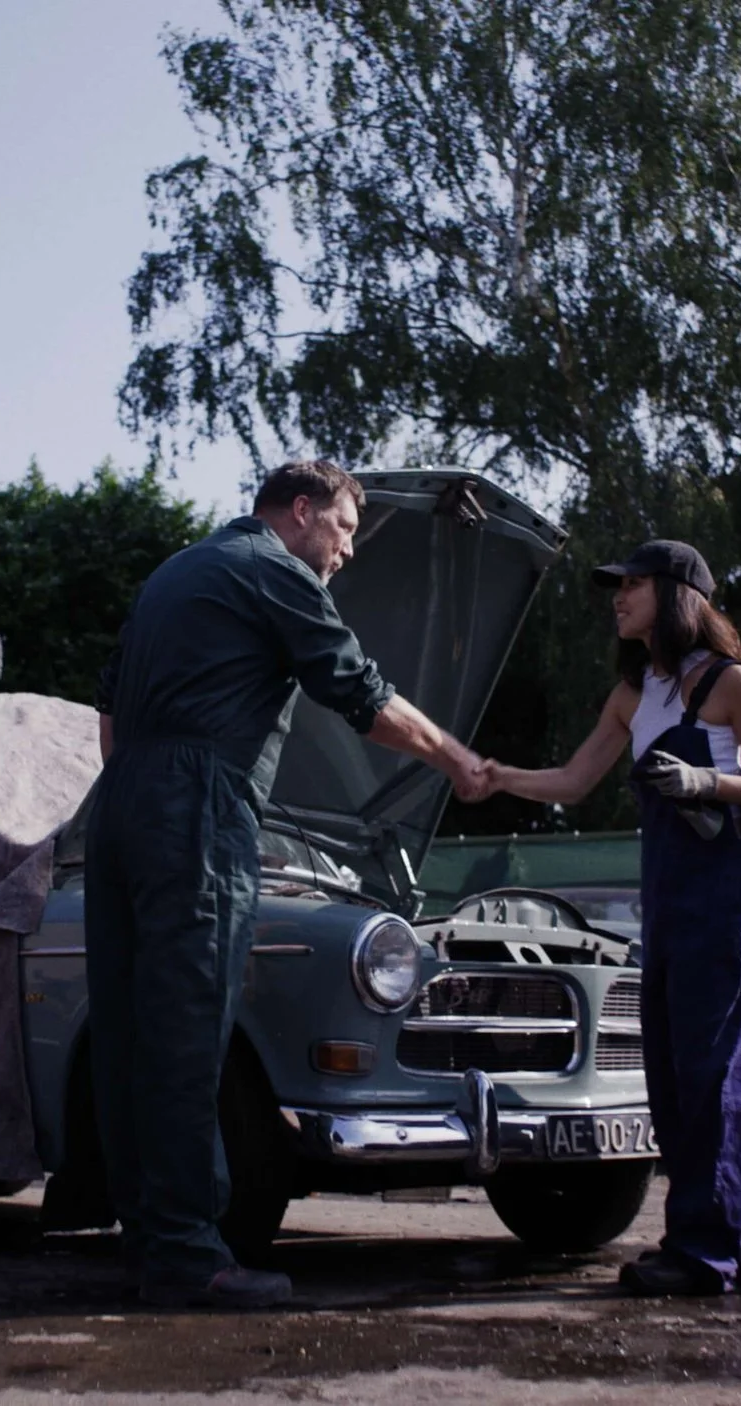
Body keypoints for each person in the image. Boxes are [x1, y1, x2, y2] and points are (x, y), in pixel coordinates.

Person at [88, 459, 487, 1310]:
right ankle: (190, 1255)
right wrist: (455, 757)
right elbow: (358, 692)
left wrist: (143, 792)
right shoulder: (275, 570)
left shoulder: (176, 572)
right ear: (301, 510)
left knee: (129, 1032)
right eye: (344, 529)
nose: (347, 551)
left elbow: (110, 709)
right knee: (188, 1030)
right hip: (198, 801)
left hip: (120, 805)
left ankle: (149, 1238)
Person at [479, 539, 741, 1294]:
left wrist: (708, 782)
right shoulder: (632, 695)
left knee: (716, 1074)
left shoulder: (728, 681)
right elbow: (572, 780)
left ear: (679, 595)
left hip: (723, 903)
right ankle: (718, 1240)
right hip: (667, 904)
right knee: (674, 1078)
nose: (618, 597)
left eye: (634, 585)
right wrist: (494, 776)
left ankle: (706, 1252)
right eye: (617, 586)